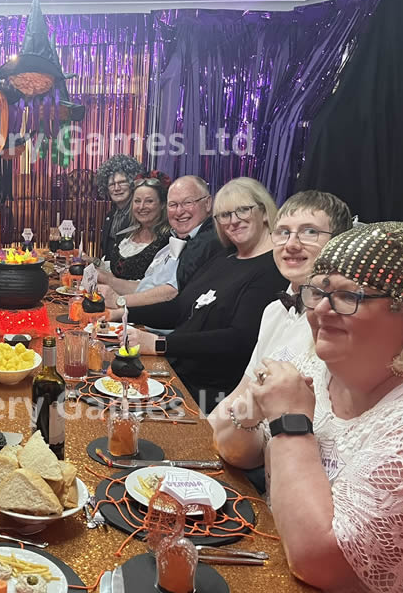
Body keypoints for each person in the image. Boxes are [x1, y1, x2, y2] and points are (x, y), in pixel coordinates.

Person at [218, 222, 403, 592]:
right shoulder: (315, 366)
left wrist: (289, 421)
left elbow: (318, 561)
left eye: (347, 296)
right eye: (317, 292)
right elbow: (232, 448)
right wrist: (251, 411)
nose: (322, 309)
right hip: (265, 559)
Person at [209, 191, 352, 473]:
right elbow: (240, 393)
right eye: (283, 232)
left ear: (338, 243)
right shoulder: (274, 310)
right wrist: (200, 438)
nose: (292, 244)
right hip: (246, 451)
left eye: (309, 232)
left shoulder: (340, 322)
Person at [126, 177, 287, 411]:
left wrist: (160, 344)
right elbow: (180, 308)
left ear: (264, 212)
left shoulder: (272, 268)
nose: (233, 221)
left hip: (206, 396)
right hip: (174, 374)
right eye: (224, 215)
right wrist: (120, 311)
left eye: (242, 210)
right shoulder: (225, 256)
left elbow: (238, 340)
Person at [100, 175, 225, 310]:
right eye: (173, 204)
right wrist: (107, 282)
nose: (179, 211)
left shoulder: (209, 241)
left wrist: (119, 302)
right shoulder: (175, 237)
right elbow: (145, 287)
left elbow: (170, 293)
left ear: (207, 204)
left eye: (188, 203)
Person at [106, 171, 171, 281]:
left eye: (149, 201)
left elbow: (154, 287)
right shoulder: (126, 235)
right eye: (137, 201)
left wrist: (107, 280)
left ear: (162, 204)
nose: (141, 207)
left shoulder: (168, 241)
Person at [94, 154, 145, 262]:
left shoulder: (141, 216)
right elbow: (107, 255)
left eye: (122, 182)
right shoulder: (110, 215)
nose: (117, 188)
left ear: (132, 184)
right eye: (112, 184)